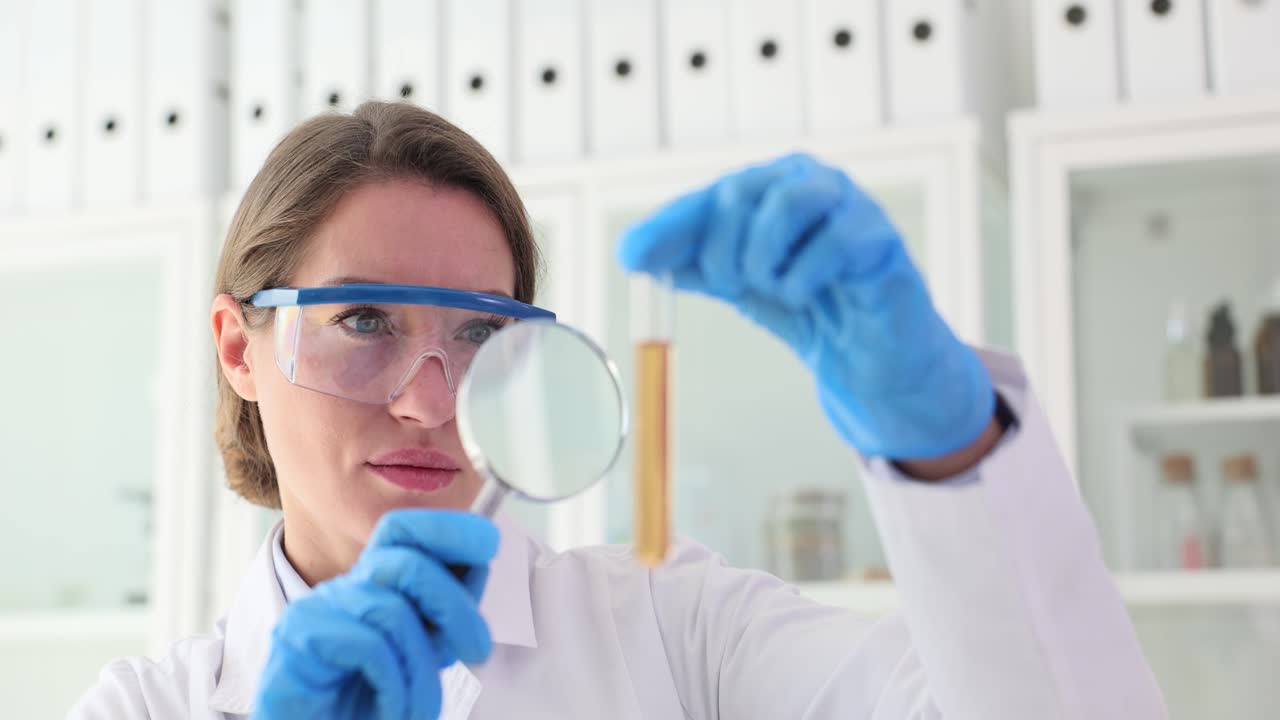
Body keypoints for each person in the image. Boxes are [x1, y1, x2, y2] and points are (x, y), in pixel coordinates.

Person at [70, 101, 1166, 719]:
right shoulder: (139, 708)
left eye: (481, 333)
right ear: (237, 349)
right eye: (361, 321)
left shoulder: (673, 627)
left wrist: (950, 447)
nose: (430, 400)